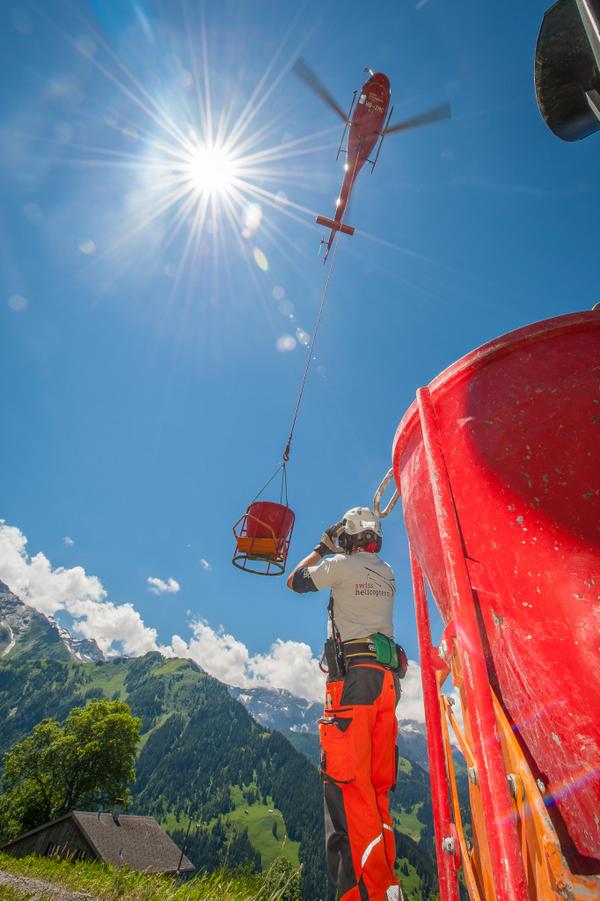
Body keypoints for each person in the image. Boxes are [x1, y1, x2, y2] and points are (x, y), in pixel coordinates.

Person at [287, 507, 403, 901]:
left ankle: (361, 895)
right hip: (386, 683)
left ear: (349, 539)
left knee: (346, 787)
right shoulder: (387, 574)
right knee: (376, 788)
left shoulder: (341, 566)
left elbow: (295, 581)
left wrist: (322, 547)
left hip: (353, 684)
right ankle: (387, 887)